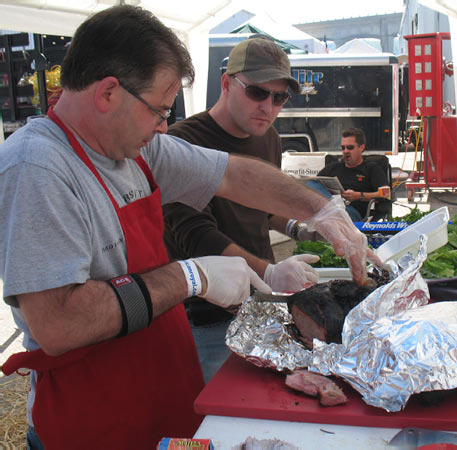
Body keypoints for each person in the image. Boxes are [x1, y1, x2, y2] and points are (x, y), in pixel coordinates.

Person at [0, 6, 377, 449]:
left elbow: (235, 174)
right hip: (92, 419)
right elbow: (59, 322)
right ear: (108, 94)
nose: (164, 125)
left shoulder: (137, 151)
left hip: (159, 392)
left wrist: (321, 209)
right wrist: (190, 276)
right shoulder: (38, 167)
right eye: (158, 110)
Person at [163, 37, 322, 382]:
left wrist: (298, 227)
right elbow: (195, 235)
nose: (268, 106)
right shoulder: (183, 143)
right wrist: (268, 273)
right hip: (207, 315)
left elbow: (263, 207)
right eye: (257, 93)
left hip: (261, 308)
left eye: (279, 97)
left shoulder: (269, 138)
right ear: (226, 83)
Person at [310, 128, 390, 221]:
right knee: (310, 185)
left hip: (350, 211)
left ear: (361, 148)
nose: (345, 151)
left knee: (333, 216)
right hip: (327, 208)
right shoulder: (333, 167)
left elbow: (386, 194)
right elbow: (313, 185)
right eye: (343, 148)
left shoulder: (371, 168)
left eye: (350, 147)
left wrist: (359, 195)